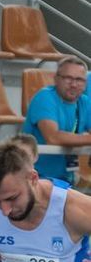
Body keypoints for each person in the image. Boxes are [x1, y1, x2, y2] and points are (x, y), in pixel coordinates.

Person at [22, 56, 91, 186]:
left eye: (79, 80)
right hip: (34, 179)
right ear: (56, 79)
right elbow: (53, 137)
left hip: (65, 180)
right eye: (68, 78)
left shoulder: (85, 101)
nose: (74, 84)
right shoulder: (45, 97)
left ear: (85, 83)